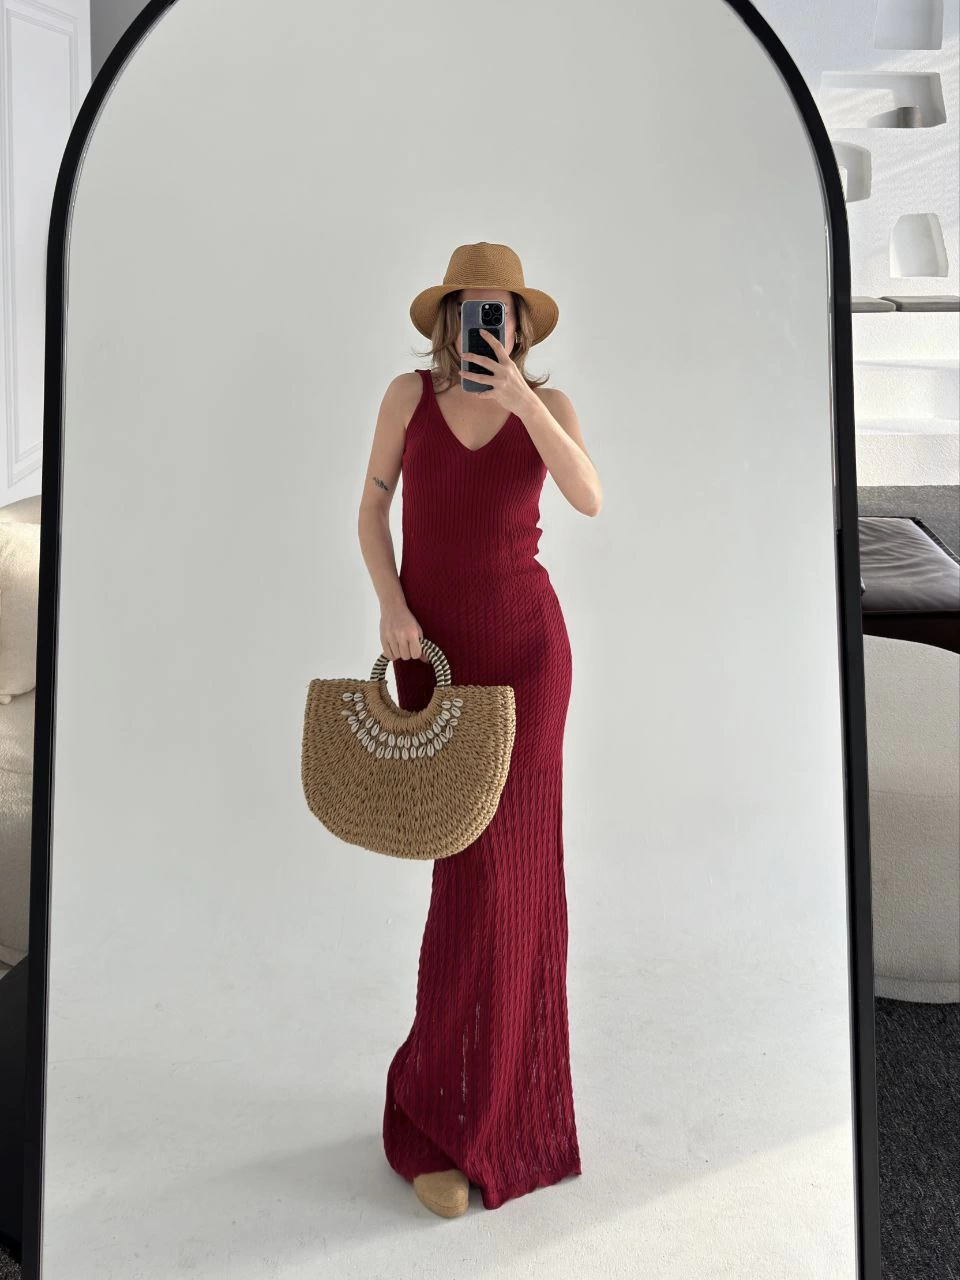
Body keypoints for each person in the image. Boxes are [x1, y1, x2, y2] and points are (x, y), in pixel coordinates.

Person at [357, 241, 603, 1215]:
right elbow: (371, 511)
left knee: (518, 880)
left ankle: (499, 1113)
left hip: (529, 663)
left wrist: (525, 405)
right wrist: (390, 603)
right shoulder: (406, 398)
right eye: (472, 308)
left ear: (521, 323)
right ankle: (438, 1107)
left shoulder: (547, 407)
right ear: (449, 316)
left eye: (503, 311)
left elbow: (589, 496)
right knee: (467, 883)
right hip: (437, 662)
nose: (487, 324)